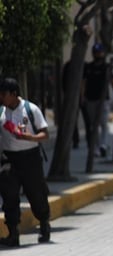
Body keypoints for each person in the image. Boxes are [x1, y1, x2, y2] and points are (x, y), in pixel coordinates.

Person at [0, 78, 51, 247]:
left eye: (4, 94)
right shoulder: (1, 112)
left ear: (14, 94)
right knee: (9, 197)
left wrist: (28, 137)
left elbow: (45, 134)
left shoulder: (31, 109)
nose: (1, 97)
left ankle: (44, 224)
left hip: (30, 158)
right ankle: (13, 234)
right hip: (9, 160)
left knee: (36, 194)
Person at [82, 43, 113, 157]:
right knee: (93, 125)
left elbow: (112, 82)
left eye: (99, 52)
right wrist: (83, 96)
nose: (97, 54)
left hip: (104, 100)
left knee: (103, 124)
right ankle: (95, 148)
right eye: (96, 52)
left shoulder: (106, 67)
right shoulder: (89, 67)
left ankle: (103, 145)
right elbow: (84, 83)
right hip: (90, 99)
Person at [62, 60, 90, 149]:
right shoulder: (70, 66)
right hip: (78, 97)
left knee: (82, 120)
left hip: (79, 96)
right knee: (81, 120)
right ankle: (79, 140)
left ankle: (78, 140)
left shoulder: (71, 65)